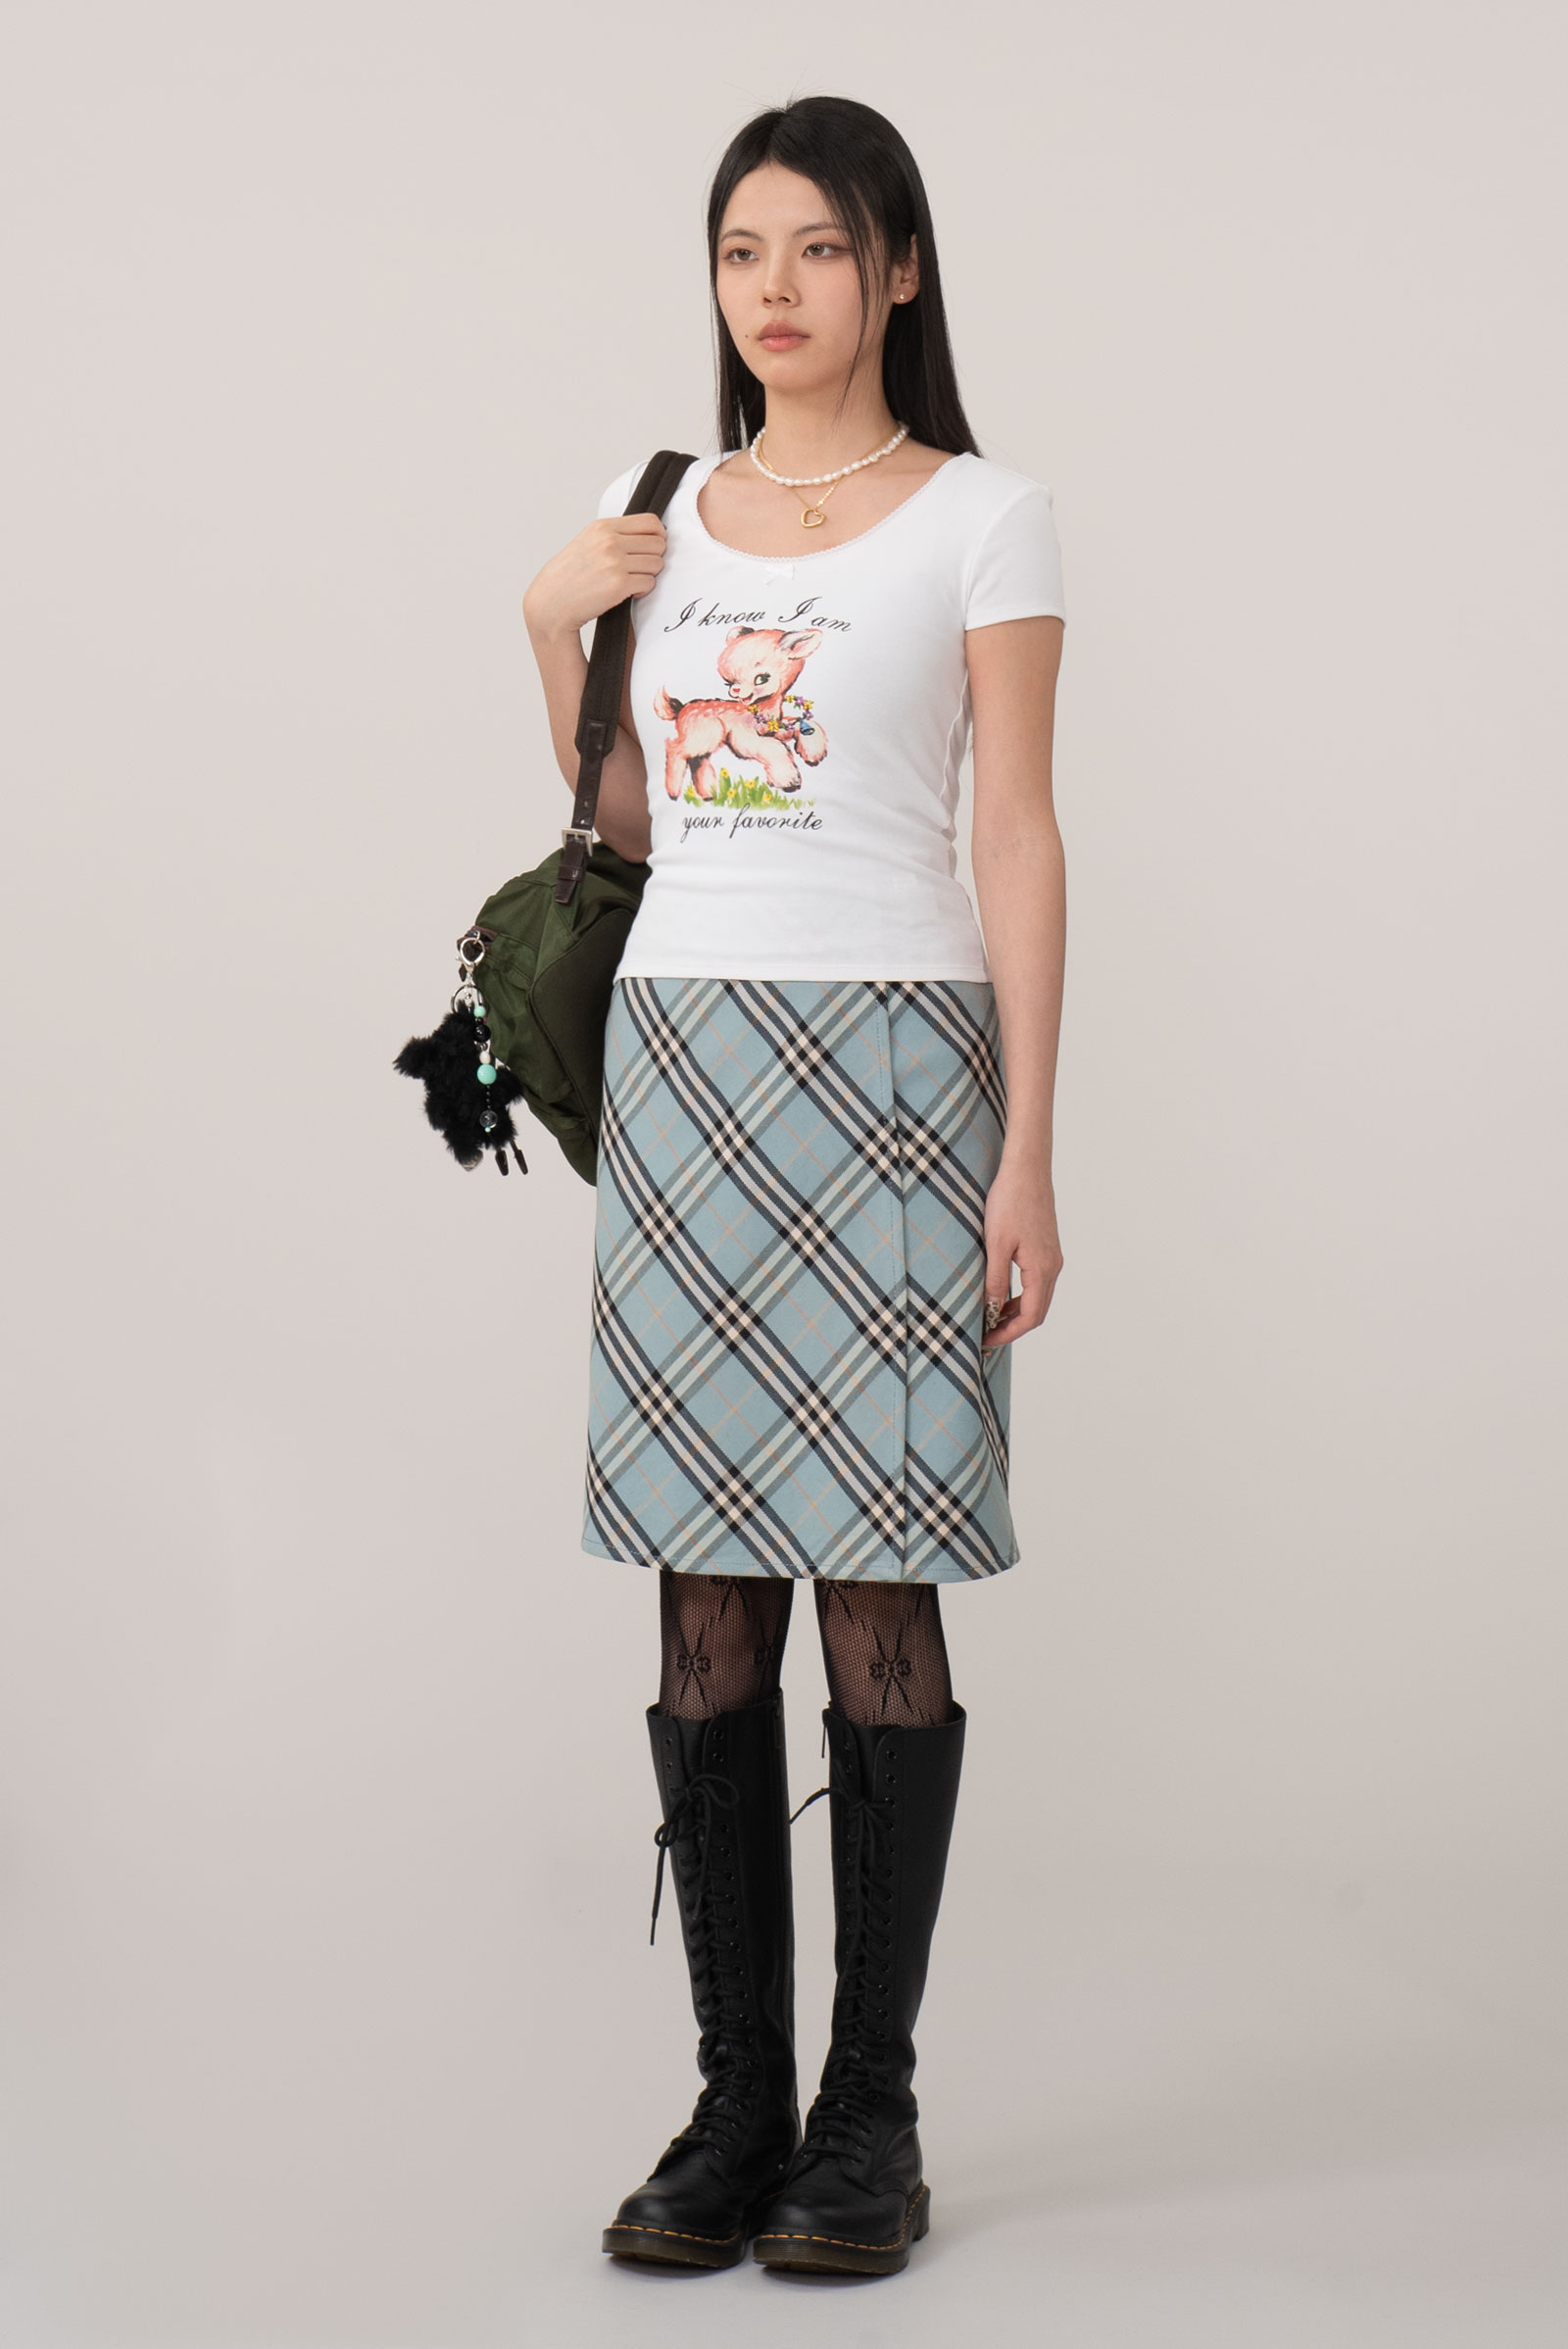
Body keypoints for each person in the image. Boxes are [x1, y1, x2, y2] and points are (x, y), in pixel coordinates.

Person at [521, 92, 1066, 2279]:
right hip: (691, 1056)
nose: (774, 286)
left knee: (879, 1585)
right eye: (742, 249)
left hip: (901, 1065)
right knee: (705, 1584)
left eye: (819, 247)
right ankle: (736, 2092)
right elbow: (627, 826)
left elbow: (1014, 829)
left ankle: (871, 2110)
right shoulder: (653, 509)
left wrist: (1033, 1141)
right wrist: (545, 624)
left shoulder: (987, 517)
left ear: (896, 269)